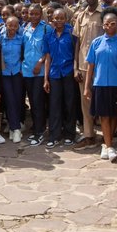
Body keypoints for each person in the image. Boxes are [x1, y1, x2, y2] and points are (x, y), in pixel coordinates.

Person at [85, 10, 117, 161]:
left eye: (113, 23)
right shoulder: (96, 42)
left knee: (114, 115)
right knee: (103, 115)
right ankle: (109, 145)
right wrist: (87, 87)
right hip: (100, 84)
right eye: (106, 24)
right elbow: (91, 66)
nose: (109, 26)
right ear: (102, 25)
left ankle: (107, 145)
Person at [72, 0, 104, 146]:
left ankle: (106, 136)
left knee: (103, 101)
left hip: (102, 67)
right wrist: (76, 67)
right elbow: (77, 42)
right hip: (84, 65)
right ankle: (89, 134)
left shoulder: (104, 14)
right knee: (86, 102)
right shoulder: (81, 16)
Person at [43, 8, 78, 148]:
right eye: (55, 18)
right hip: (54, 74)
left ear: (66, 19)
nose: (58, 21)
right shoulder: (48, 35)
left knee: (70, 104)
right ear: (52, 19)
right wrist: (45, 79)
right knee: (54, 105)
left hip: (68, 72)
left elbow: (76, 52)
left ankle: (70, 134)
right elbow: (47, 57)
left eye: (61, 18)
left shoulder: (71, 33)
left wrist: (75, 70)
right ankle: (54, 135)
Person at [20, 4, 49, 145]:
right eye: (31, 14)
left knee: (38, 102)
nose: (33, 16)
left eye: (36, 14)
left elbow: (49, 51)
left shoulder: (46, 28)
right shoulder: (25, 28)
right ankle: (36, 129)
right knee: (31, 101)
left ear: (41, 14)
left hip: (40, 71)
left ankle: (40, 132)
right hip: (27, 71)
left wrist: (40, 62)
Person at [0, 16, 26, 143]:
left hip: (18, 73)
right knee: (9, 99)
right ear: (5, 25)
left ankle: (14, 125)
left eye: (15, 25)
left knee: (19, 99)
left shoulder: (21, 39)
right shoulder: (0, 40)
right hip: (5, 73)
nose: (12, 28)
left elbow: (24, 54)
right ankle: (16, 129)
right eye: (10, 25)